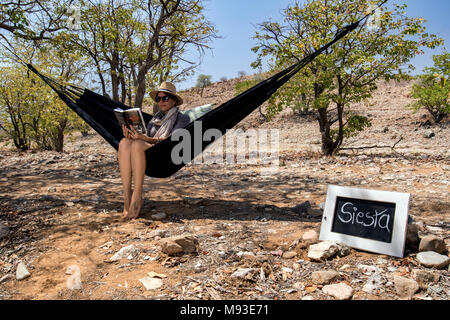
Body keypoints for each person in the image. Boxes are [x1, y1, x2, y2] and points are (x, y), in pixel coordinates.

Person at [118, 82, 190, 220]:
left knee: (138, 144)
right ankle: (127, 194)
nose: (161, 101)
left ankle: (137, 195)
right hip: (149, 152)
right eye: (158, 99)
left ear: (174, 101)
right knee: (124, 142)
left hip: (167, 154)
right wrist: (131, 134)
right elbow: (146, 137)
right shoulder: (155, 118)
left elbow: (173, 139)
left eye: (165, 98)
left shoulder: (182, 118)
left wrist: (144, 139)